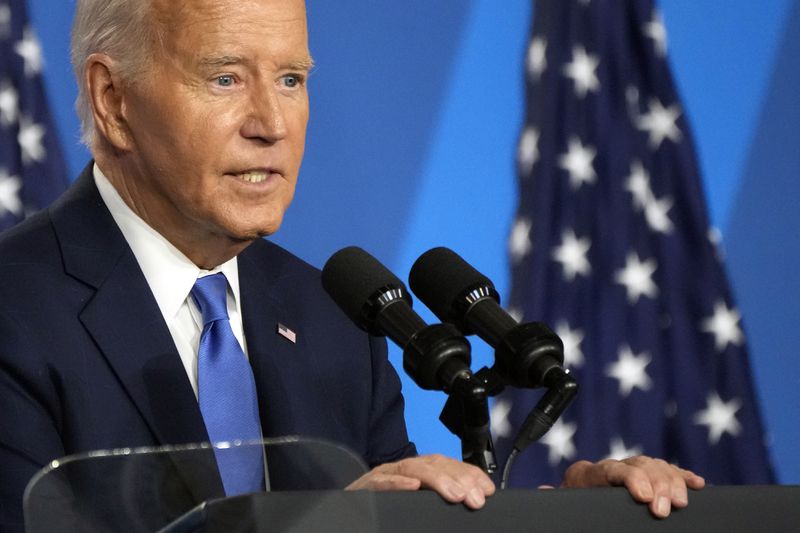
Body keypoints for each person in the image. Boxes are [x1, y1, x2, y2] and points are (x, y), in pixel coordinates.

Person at [0, 0, 704, 530]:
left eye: (290, 79)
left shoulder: (335, 316)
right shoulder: (16, 312)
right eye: (223, 78)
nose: (271, 122)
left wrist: (562, 521)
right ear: (113, 100)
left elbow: (394, 518)